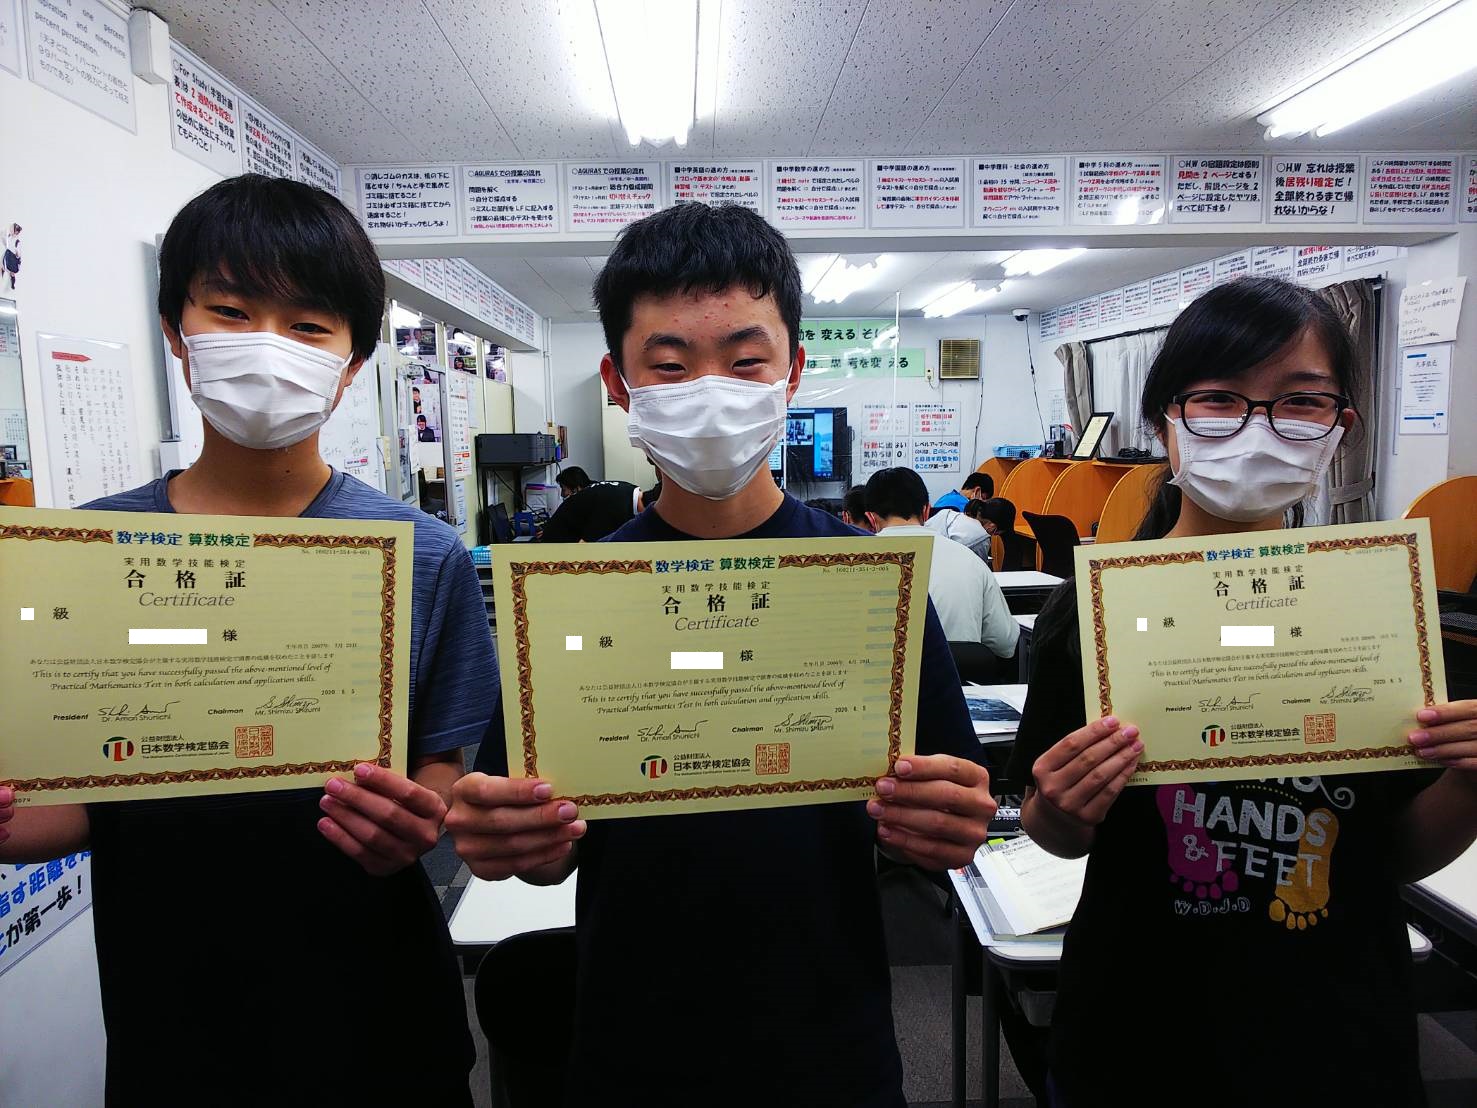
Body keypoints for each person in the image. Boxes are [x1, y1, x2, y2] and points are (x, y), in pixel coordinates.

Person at [445, 202, 995, 1107]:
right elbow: (539, 847)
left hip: (832, 1049)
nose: (709, 391)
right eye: (668, 365)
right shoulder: (575, 593)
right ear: (618, 382)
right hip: (630, 1048)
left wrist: (949, 823)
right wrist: (507, 838)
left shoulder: (870, 584)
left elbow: (952, 815)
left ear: (793, 371)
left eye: (744, 362)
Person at [0, 174, 497, 1104]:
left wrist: (419, 821)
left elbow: (439, 766)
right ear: (175, 330)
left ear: (352, 362)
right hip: (173, 1005)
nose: (267, 348)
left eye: (308, 326)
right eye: (230, 311)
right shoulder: (89, 551)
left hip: (378, 1006)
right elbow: (82, 801)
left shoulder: (420, 554)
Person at [1005, 276, 1477, 1107]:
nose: (1258, 429)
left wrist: (1470, 784)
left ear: (1338, 429)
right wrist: (1064, 807)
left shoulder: (1376, 608)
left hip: (1335, 1027)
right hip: (1138, 1019)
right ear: (1164, 420)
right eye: (1220, 399)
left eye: (1299, 401)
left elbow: (1392, 851)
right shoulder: (1092, 609)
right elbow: (1052, 831)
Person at [866, 466, 1017, 658]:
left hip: (881, 675)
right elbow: (1006, 643)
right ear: (926, 510)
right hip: (958, 676)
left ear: (871, 518)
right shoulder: (971, 561)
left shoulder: (852, 564)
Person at [538, 477, 659, 542]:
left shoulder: (630, 490)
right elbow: (586, 546)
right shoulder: (616, 509)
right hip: (559, 540)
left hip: (562, 525)